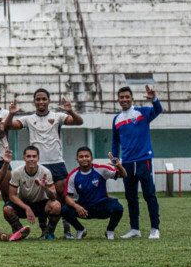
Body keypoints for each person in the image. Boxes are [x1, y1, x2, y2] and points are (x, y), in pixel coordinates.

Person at [3, 88, 83, 238]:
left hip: (56, 162)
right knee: (41, 197)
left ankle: (67, 230)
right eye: (38, 99)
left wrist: (71, 111)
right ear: (34, 101)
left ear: (48, 100)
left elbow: (79, 122)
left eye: (44, 99)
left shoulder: (58, 116)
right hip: (36, 164)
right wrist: (11, 114)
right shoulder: (28, 119)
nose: (41, 102)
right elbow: (7, 126)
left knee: (61, 197)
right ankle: (44, 229)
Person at [111, 85, 163, 239]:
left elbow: (158, 110)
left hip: (143, 160)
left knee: (149, 195)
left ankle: (155, 229)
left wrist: (154, 99)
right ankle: (135, 229)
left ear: (132, 98)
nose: (124, 99)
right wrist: (115, 159)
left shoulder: (143, 112)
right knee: (131, 197)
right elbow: (115, 142)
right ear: (118, 100)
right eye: (122, 97)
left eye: (127, 97)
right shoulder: (117, 119)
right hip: (126, 163)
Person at [61, 147, 126, 240]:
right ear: (77, 159)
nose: (84, 159)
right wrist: (77, 207)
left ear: (91, 158)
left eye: (87, 156)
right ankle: (80, 230)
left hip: (101, 206)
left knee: (118, 207)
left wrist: (119, 165)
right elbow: (68, 197)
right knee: (65, 210)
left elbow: (123, 175)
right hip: (84, 209)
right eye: (81, 157)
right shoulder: (73, 175)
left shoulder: (101, 170)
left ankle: (110, 231)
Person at [3, 146, 61, 239]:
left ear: (38, 158)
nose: (31, 159)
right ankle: (20, 232)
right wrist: (27, 208)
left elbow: (53, 197)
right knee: (7, 209)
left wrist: (45, 187)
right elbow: (12, 196)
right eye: (28, 156)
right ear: (24, 158)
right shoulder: (17, 172)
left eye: (34, 156)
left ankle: (48, 233)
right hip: (24, 203)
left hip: (41, 203)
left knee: (56, 205)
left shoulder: (45, 172)